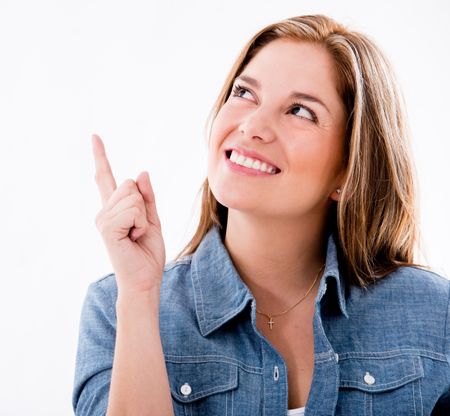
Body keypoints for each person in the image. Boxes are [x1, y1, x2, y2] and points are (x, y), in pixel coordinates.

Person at [72, 14, 450, 416]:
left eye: (300, 111)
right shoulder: (118, 306)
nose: (252, 125)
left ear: (348, 169)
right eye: (244, 93)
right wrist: (140, 298)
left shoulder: (434, 314)